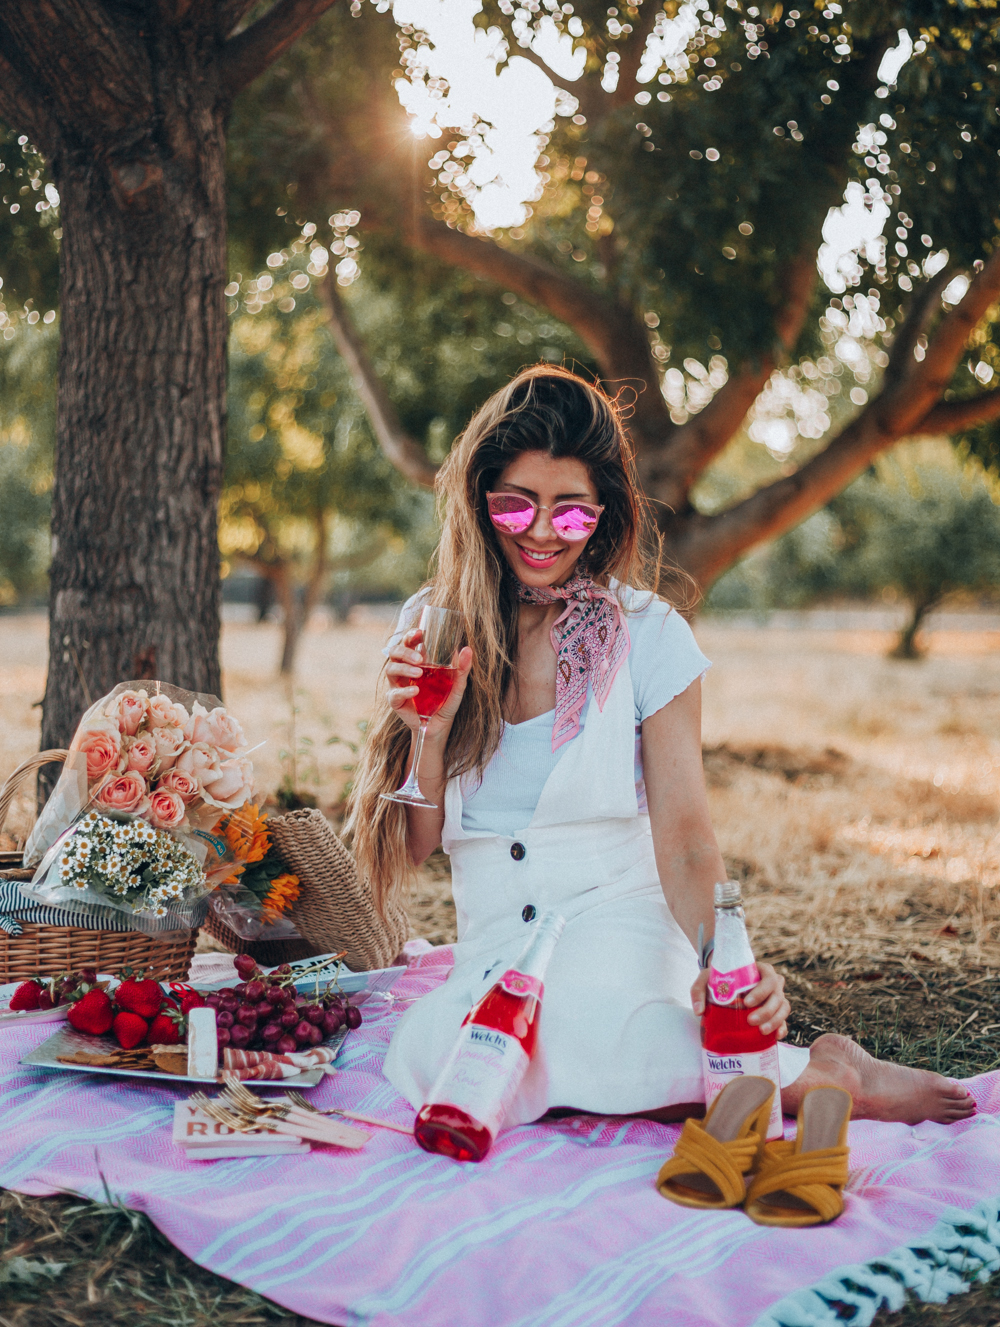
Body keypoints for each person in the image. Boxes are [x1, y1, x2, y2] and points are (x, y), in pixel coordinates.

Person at [348, 365, 975, 1128]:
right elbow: (415, 847)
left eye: (570, 512)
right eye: (517, 505)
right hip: (500, 945)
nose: (543, 532)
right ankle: (792, 1073)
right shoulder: (434, 625)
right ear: (481, 506)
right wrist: (428, 731)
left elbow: (685, 842)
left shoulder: (650, 636)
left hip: (618, 923)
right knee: (436, 1058)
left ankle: (820, 1070)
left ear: (604, 512)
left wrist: (722, 965)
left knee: (577, 1033)